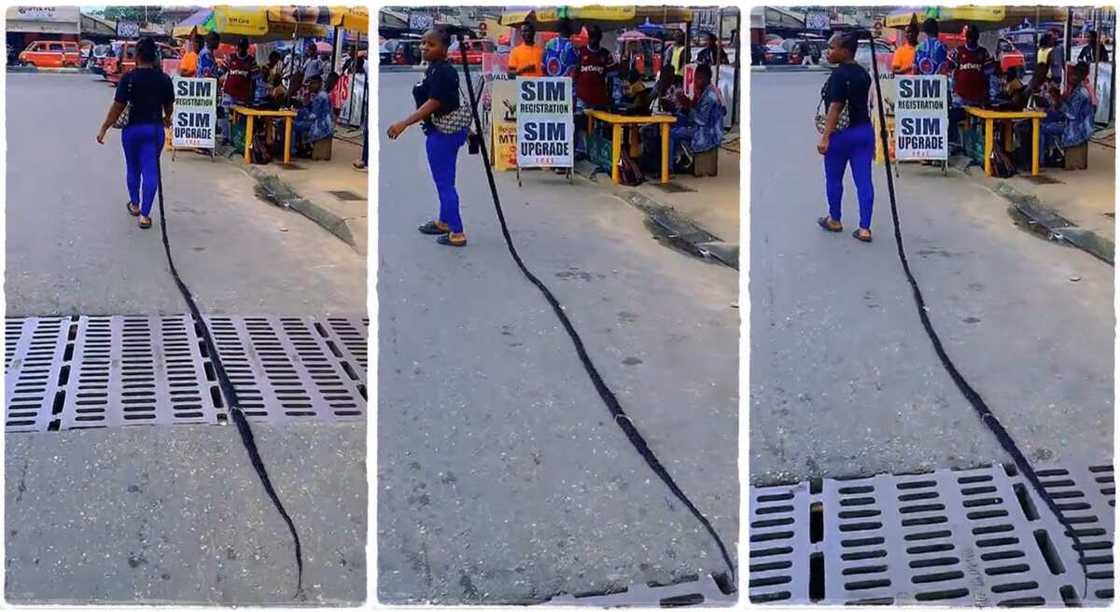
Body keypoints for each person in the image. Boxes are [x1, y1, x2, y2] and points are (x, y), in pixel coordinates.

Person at [387, 27, 470, 248]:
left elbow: (433, 103)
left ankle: (457, 232)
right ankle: (444, 221)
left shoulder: (443, 72)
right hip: (441, 131)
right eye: (423, 43)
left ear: (444, 49)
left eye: (430, 44)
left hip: (443, 134)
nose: (424, 47)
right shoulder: (435, 68)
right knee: (446, 180)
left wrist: (404, 123)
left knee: (444, 184)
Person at [96, 37, 174, 231]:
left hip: (132, 131)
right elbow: (169, 106)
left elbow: (117, 107)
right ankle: (145, 216)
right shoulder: (164, 79)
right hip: (154, 130)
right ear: (156, 56)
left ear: (137, 56)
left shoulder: (128, 79)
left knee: (133, 168)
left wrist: (105, 127)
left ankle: (135, 204)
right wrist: (167, 119)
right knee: (151, 170)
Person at [816, 31, 874, 243]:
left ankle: (834, 219)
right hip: (864, 132)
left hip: (841, 135)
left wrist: (825, 137)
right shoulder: (863, 74)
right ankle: (865, 228)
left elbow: (835, 107)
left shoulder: (839, 76)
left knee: (833, 178)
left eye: (832, 48)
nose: (828, 52)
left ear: (846, 51)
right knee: (864, 180)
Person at [668, 64, 725, 172]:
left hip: (708, 132)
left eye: (699, 78)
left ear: (706, 78)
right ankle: (680, 158)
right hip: (705, 128)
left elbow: (701, 120)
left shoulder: (710, 96)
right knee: (677, 122)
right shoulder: (708, 91)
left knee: (671, 134)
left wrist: (687, 107)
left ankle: (669, 167)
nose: (696, 81)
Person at [1041, 62, 1096, 155]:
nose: (1072, 77)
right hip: (1075, 123)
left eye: (1075, 75)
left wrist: (1058, 102)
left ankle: (1043, 158)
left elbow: (1071, 114)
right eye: (1073, 74)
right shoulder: (1078, 89)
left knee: (1043, 128)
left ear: (1082, 76)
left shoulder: (1081, 93)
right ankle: (1053, 152)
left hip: (1076, 128)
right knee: (1047, 117)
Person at [292, 74, 334, 155]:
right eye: (310, 83)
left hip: (321, 125)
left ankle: (294, 150)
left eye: (313, 83)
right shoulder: (318, 94)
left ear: (320, 83)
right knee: (298, 122)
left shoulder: (321, 96)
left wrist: (303, 111)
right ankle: (303, 147)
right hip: (320, 123)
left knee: (294, 126)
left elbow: (313, 116)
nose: (310, 86)